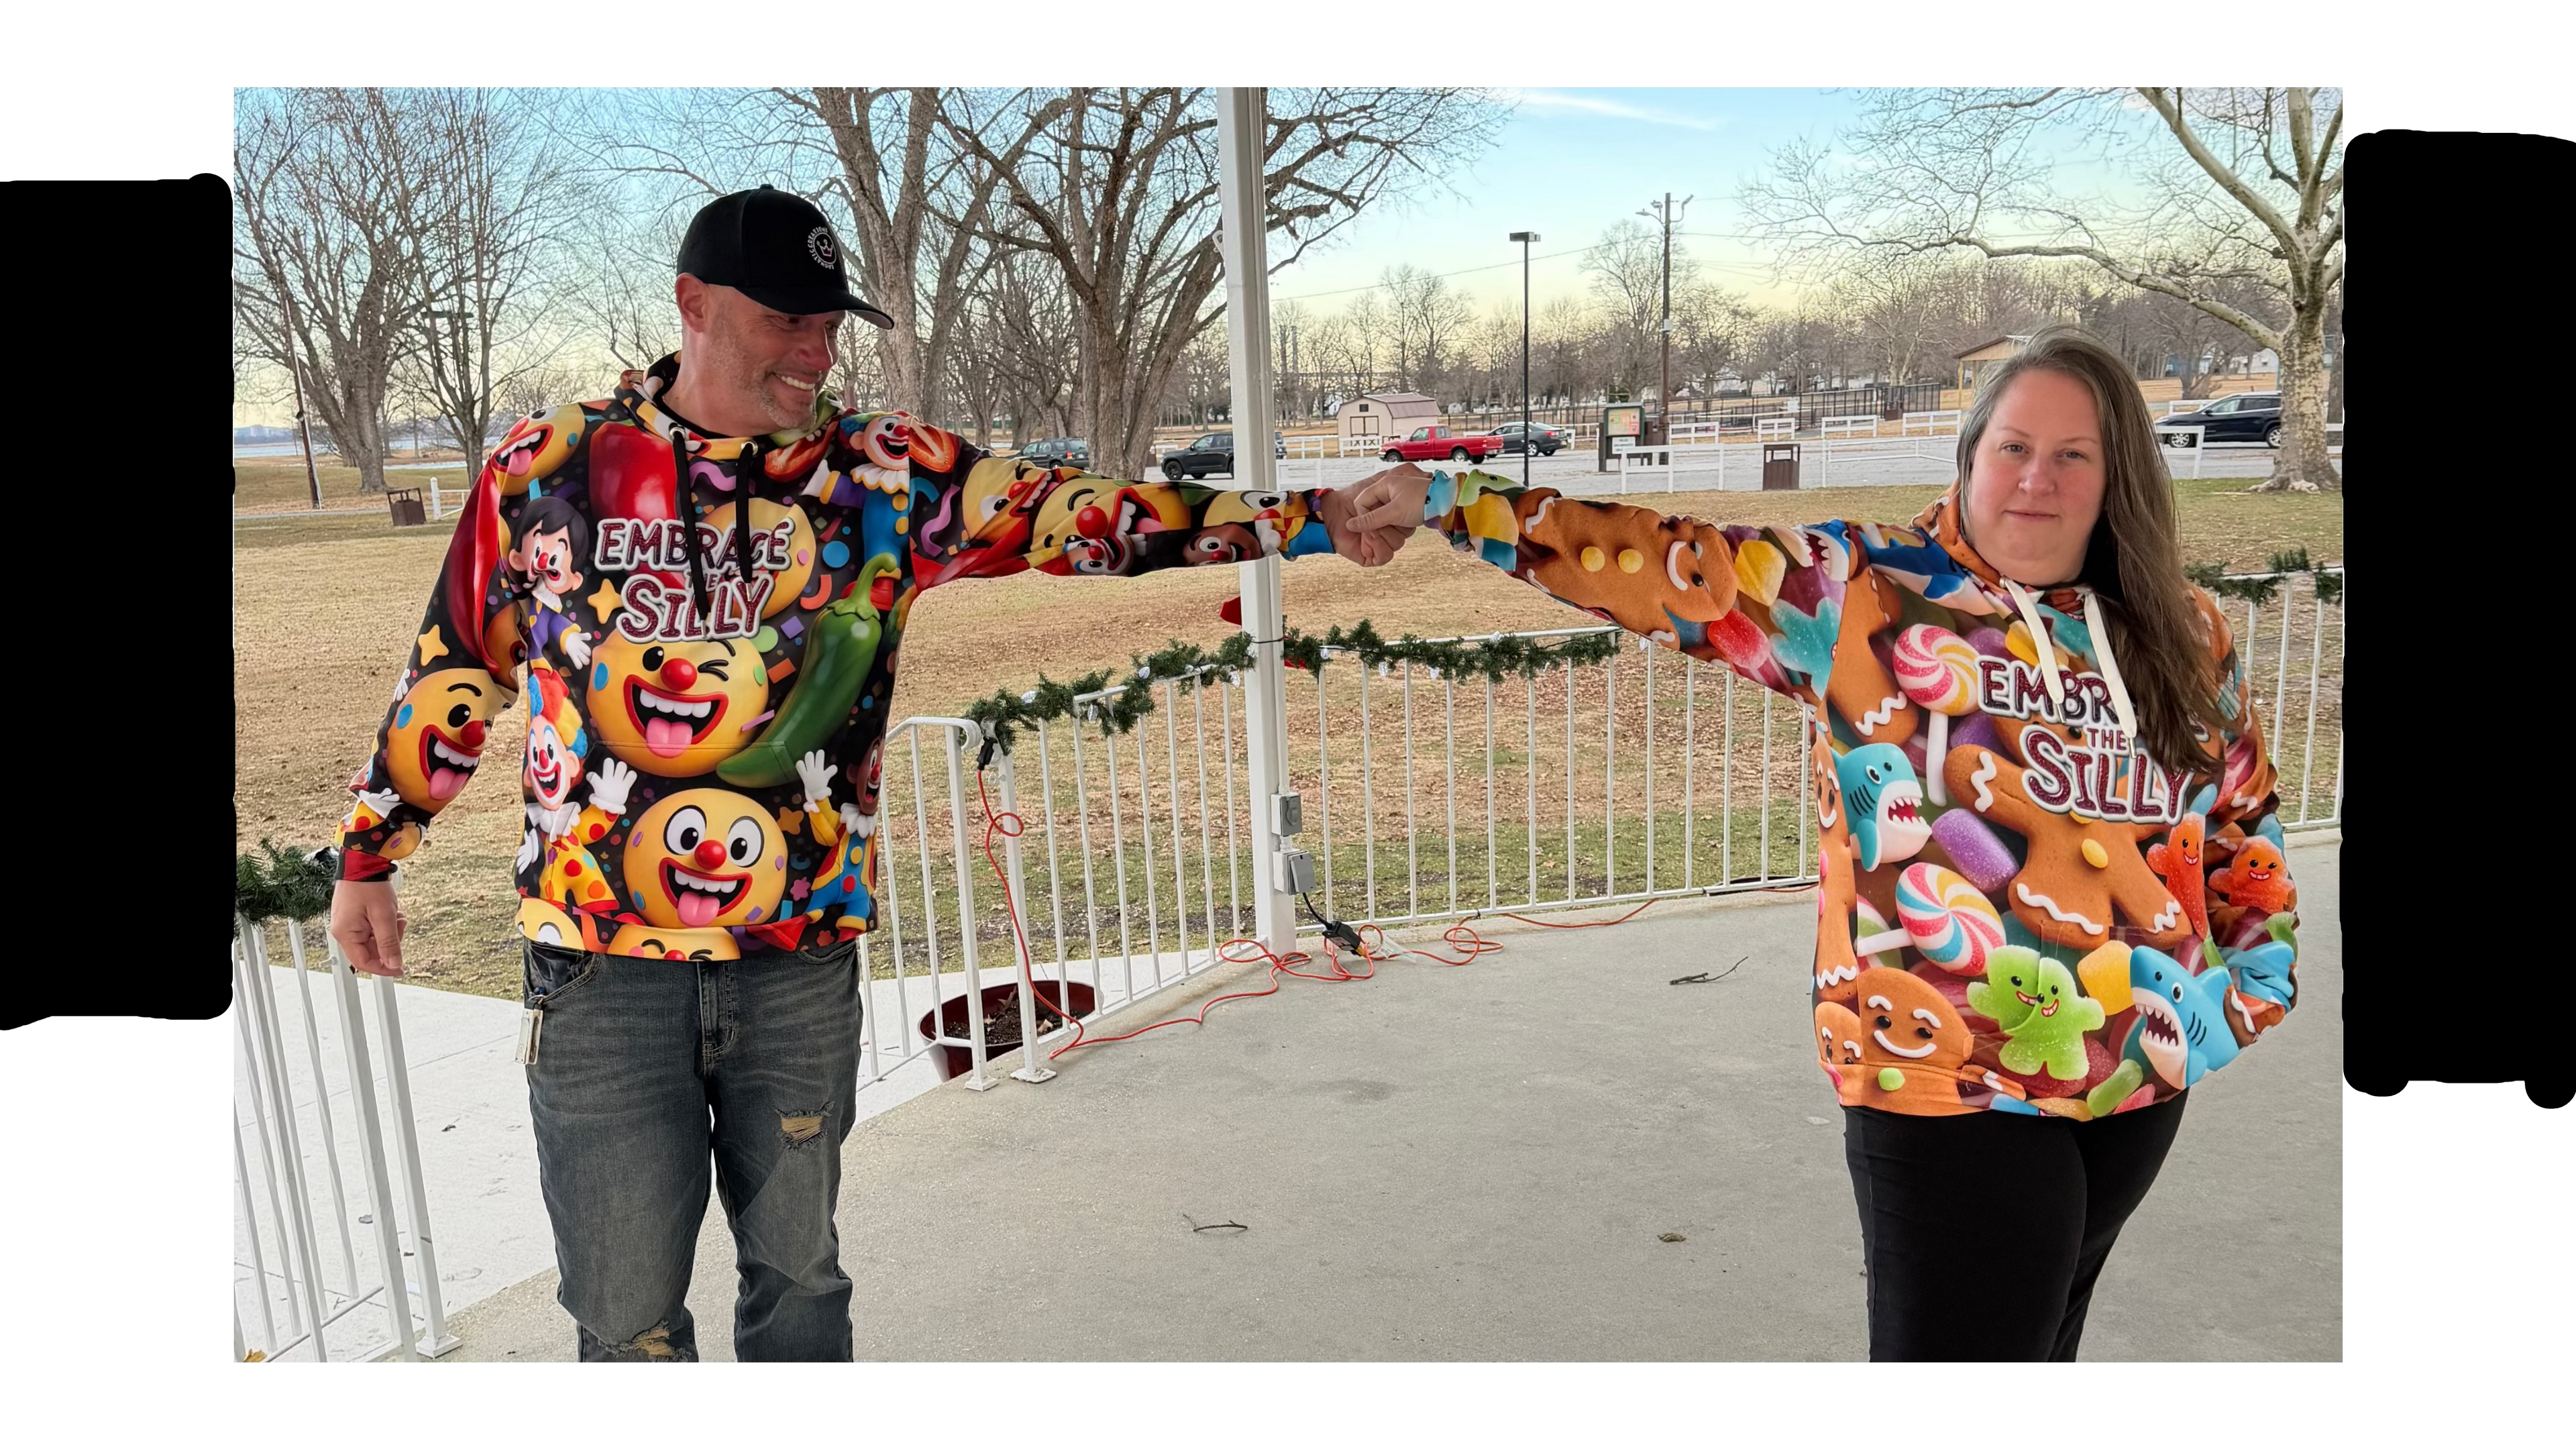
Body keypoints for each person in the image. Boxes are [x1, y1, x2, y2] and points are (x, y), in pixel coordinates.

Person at [326, 184, 1423, 1364]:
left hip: (796, 966)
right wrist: (370, 853)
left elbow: (1088, 516)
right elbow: (455, 668)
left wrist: (1305, 518)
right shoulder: (548, 467)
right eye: (787, 318)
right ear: (692, 305)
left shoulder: (884, 477)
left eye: (831, 322)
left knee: (801, 1282)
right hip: (599, 973)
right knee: (621, 1312)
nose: (817, 349)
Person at [1387, 325, 2300, 1362]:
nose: (2035, 479)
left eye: (2073, 455)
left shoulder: (2183, 626)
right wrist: (1456, 505)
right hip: (1949, 1077)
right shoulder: (1862, 592)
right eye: (2011, 446)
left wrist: (2257, 978)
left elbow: (2238, 819)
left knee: (2045, 1340)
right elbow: (1657, 560)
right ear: (1969, 457)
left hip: (2137, 1074)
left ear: (2116, 478)